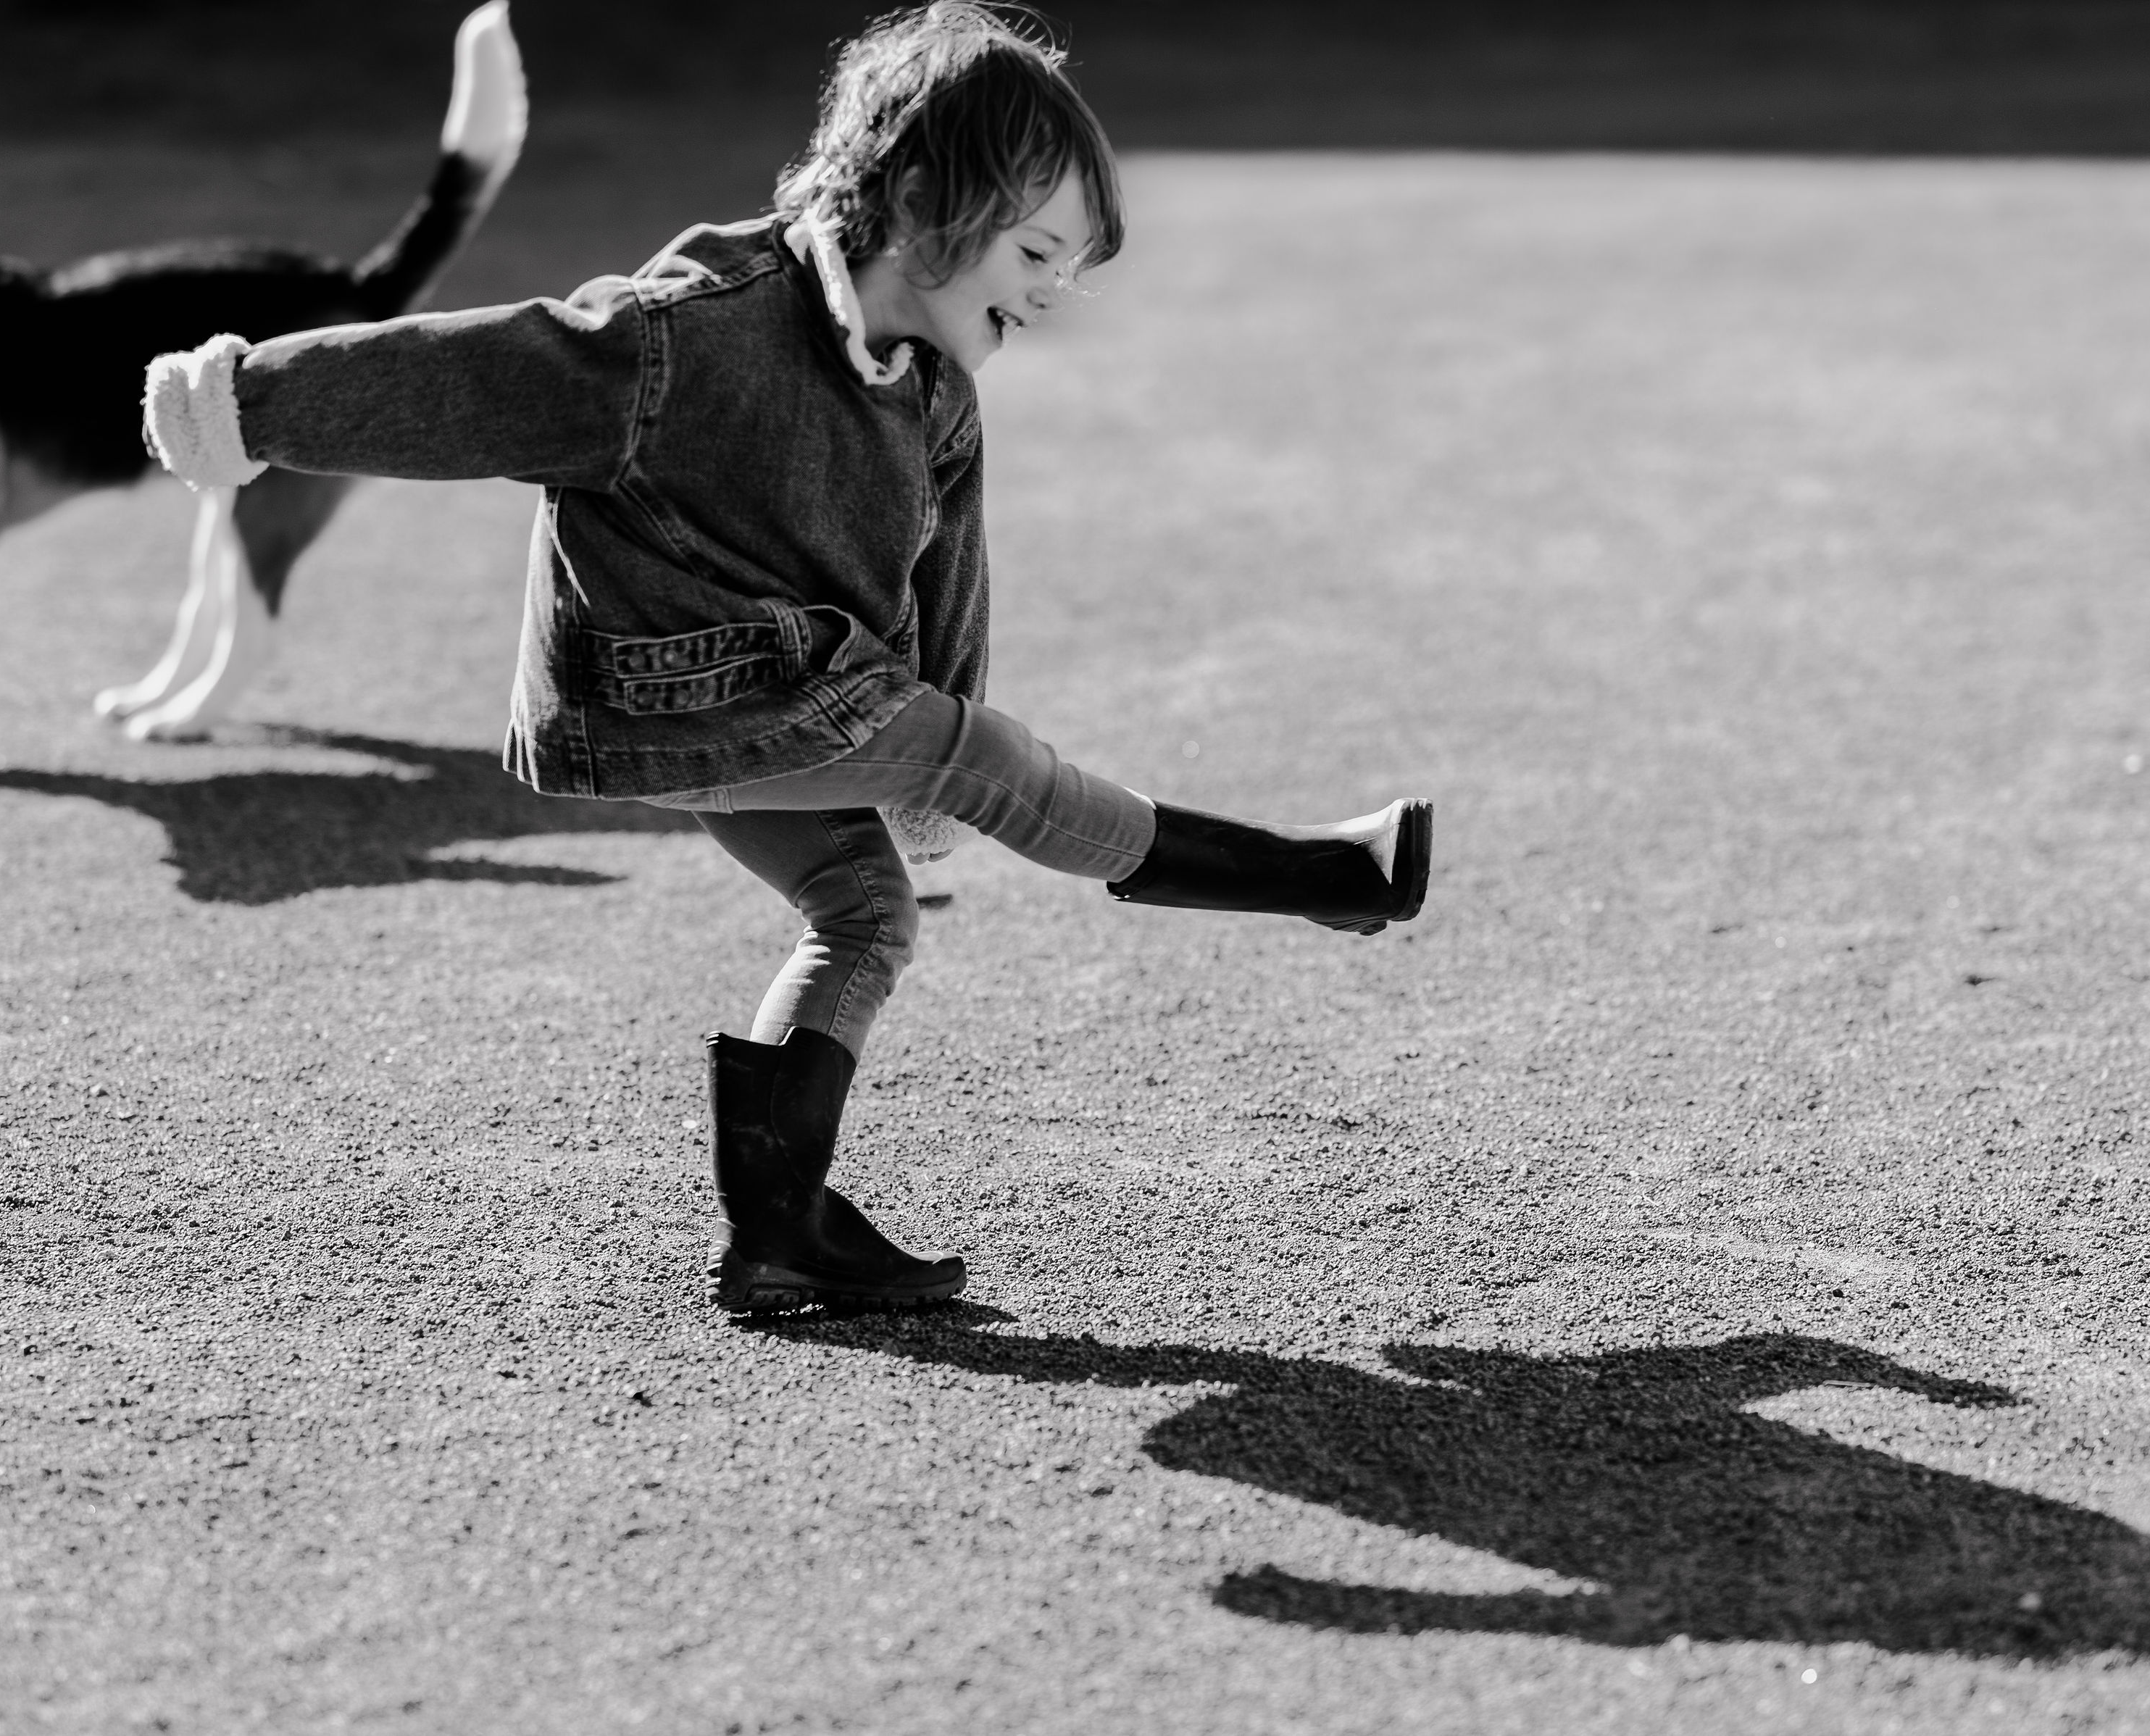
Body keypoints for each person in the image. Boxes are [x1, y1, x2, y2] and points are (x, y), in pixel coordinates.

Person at [140, 1, 1433, 1314]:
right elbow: (471, 372)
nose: (1050, 291)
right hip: (653, 693)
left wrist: (926, 779)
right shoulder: (683, 336)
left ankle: (779, 1234)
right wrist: (247, 400)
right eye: (1037, 249)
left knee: (867, 912)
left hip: (788, 715)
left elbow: (948, 599)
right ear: (924, 200)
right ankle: (1327, 873)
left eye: (1068, 270)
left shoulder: (936, 399)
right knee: (991, 762)